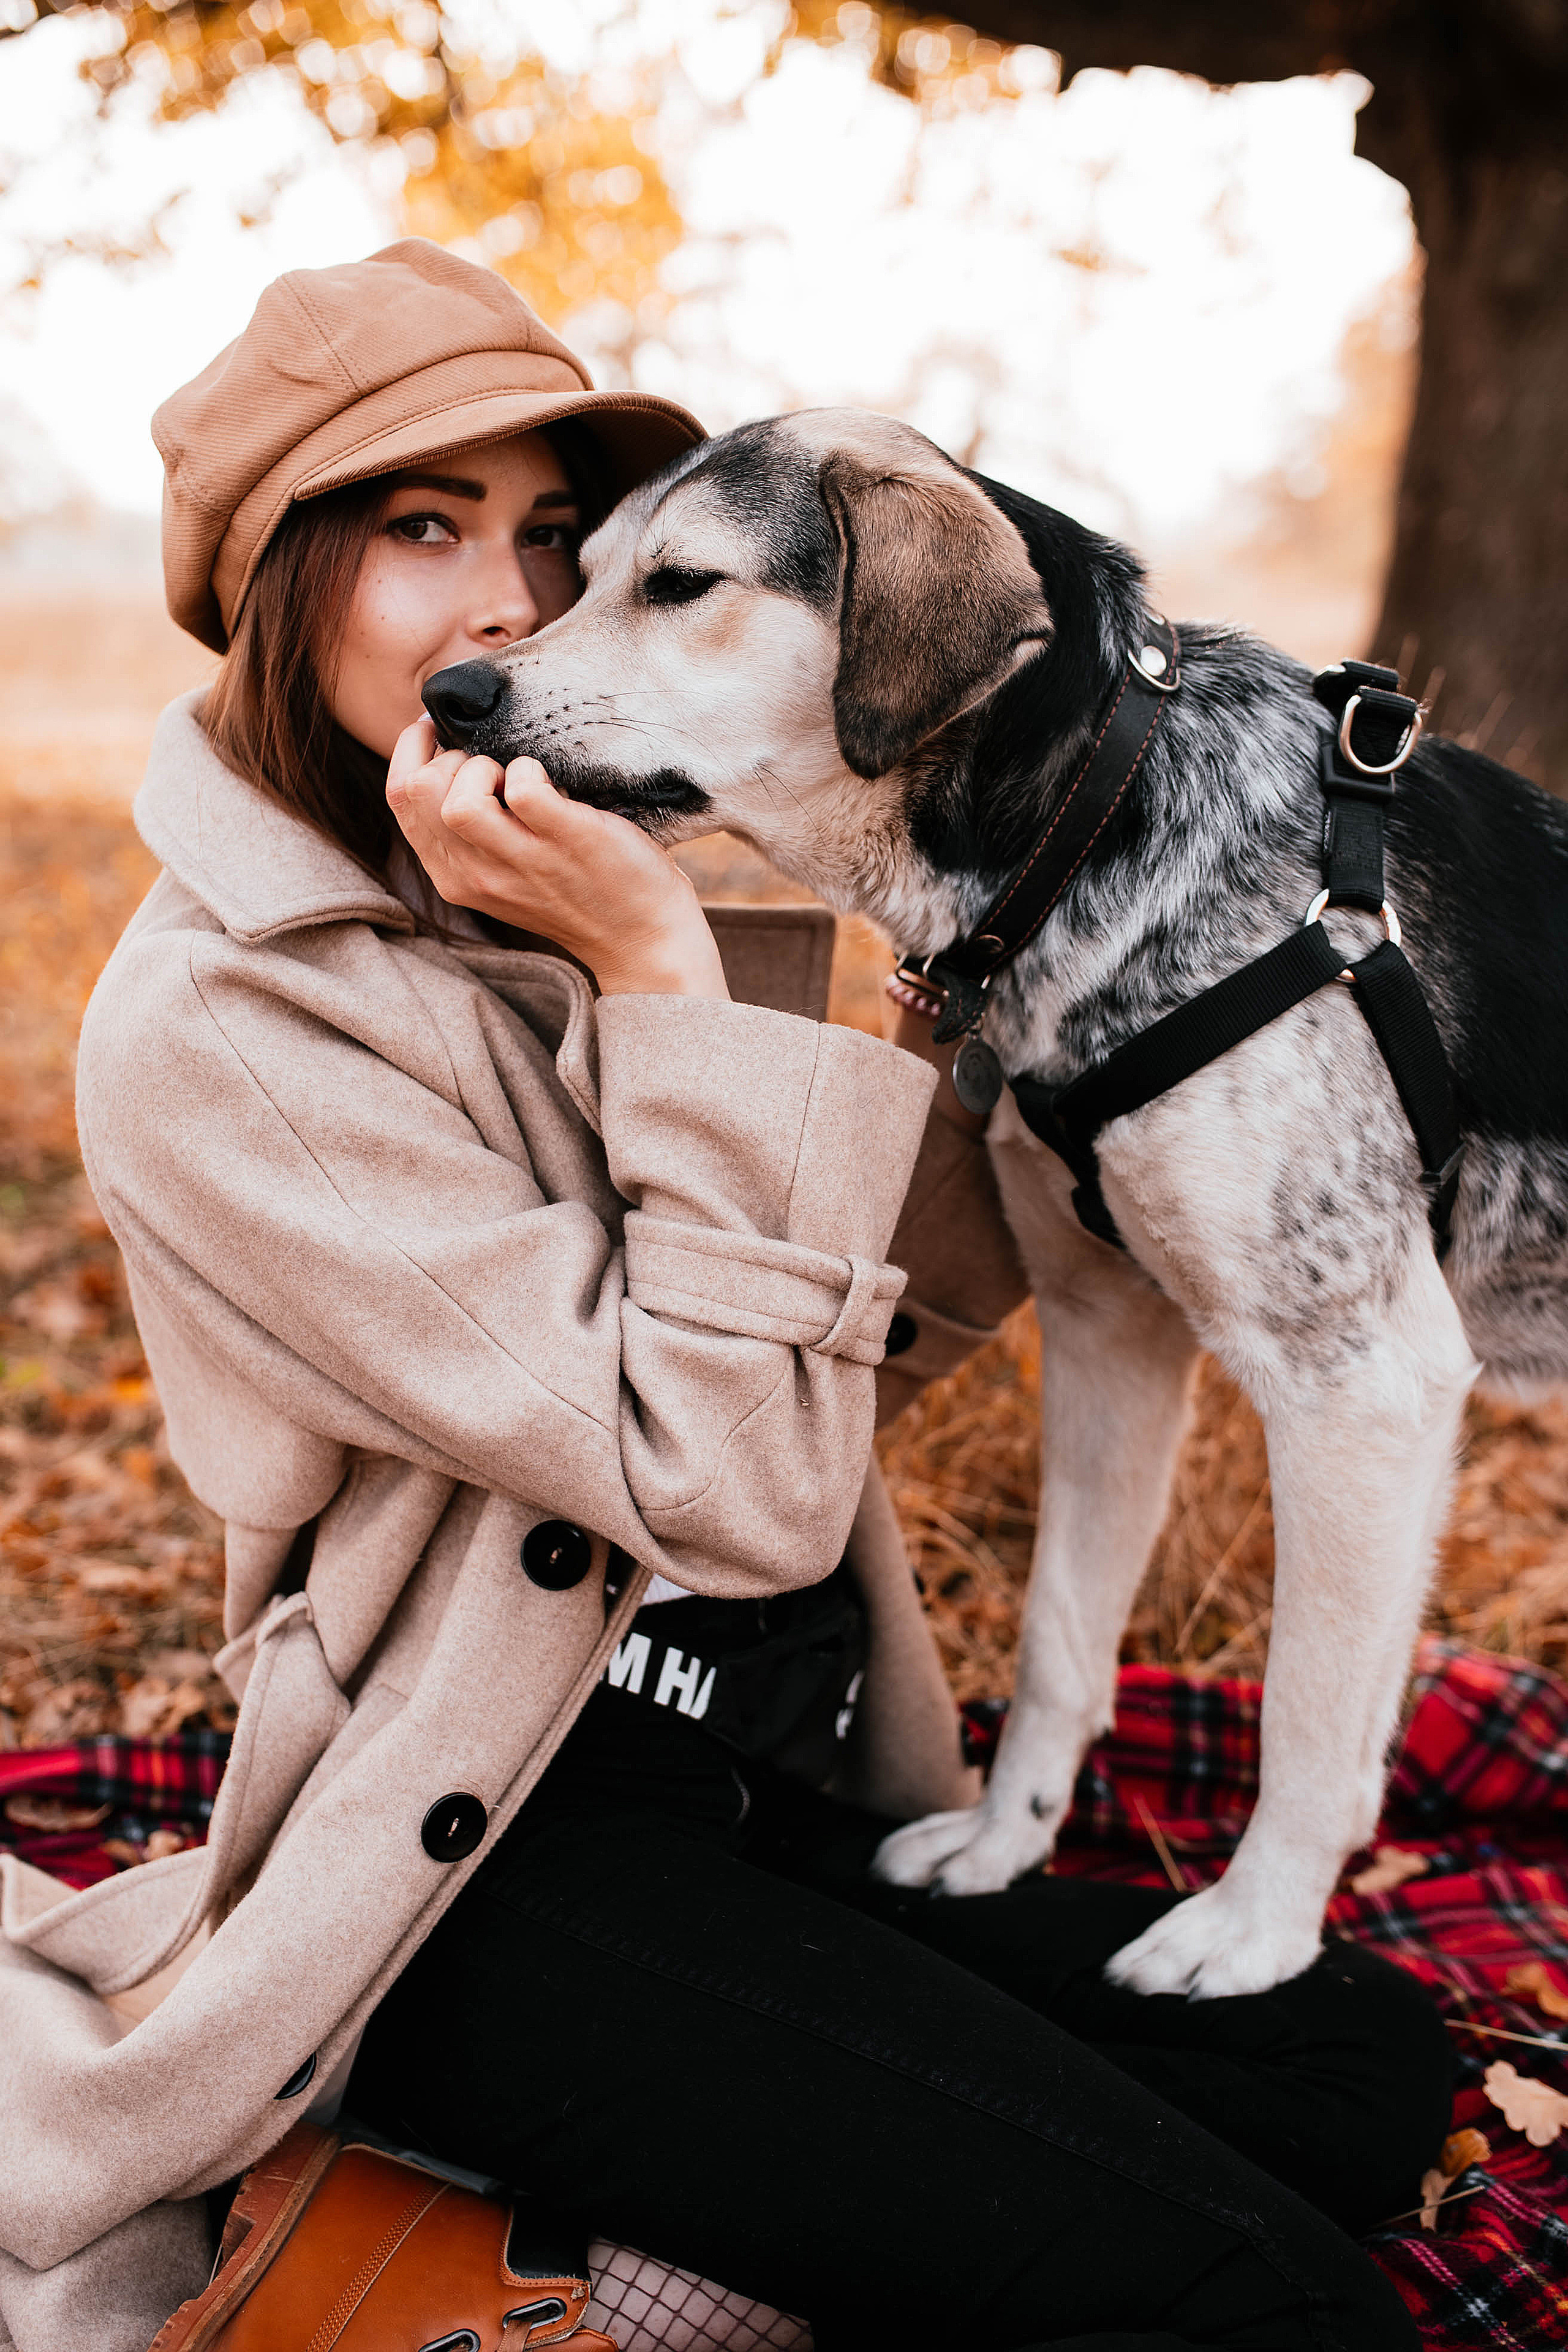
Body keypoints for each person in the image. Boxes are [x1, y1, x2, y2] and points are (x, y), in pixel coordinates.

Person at [0, 241, 1450, 2352]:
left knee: (1355, 2059)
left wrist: (1077, 965)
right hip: (496, 1872)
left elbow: (878, 1326)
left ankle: (661, 2280)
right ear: (279, 580)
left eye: (554, 537)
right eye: (425, 531)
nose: (516, 607)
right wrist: (664, 982)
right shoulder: (233, 1031)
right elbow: (740, 1481)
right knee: (1280, 2312)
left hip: (759, 1793)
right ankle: (474, 2250)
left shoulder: (549, 875)